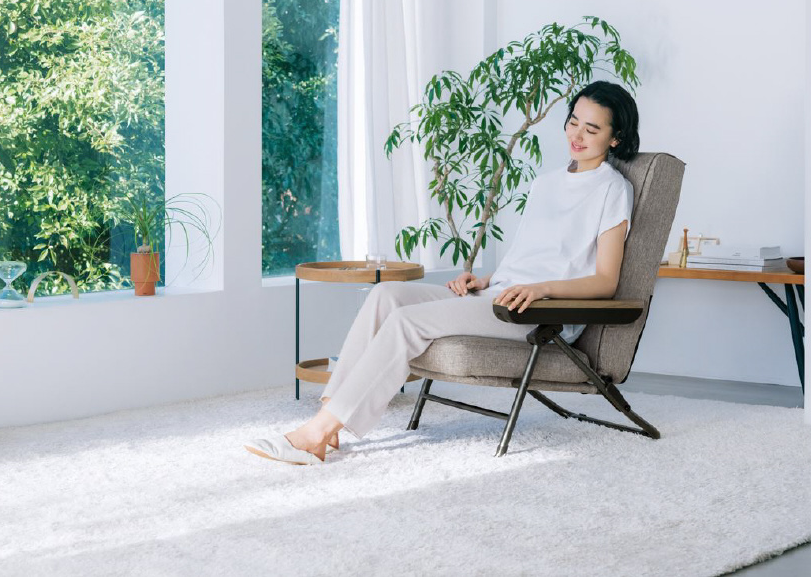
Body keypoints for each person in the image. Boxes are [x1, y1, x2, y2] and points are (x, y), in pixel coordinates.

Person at [245, 81, 640, 465]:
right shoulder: (546, 183)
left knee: (405, 323)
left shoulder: (612, 189)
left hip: (539, 312)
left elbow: (605, 282)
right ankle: (330, 420)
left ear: (615, 138)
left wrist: (539, 290)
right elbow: (531, 257)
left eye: (592, 129)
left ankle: (314, 434)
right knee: (385, 295)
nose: (577, 134)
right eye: (573, 121)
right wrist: (486, 280)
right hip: (501, 294)